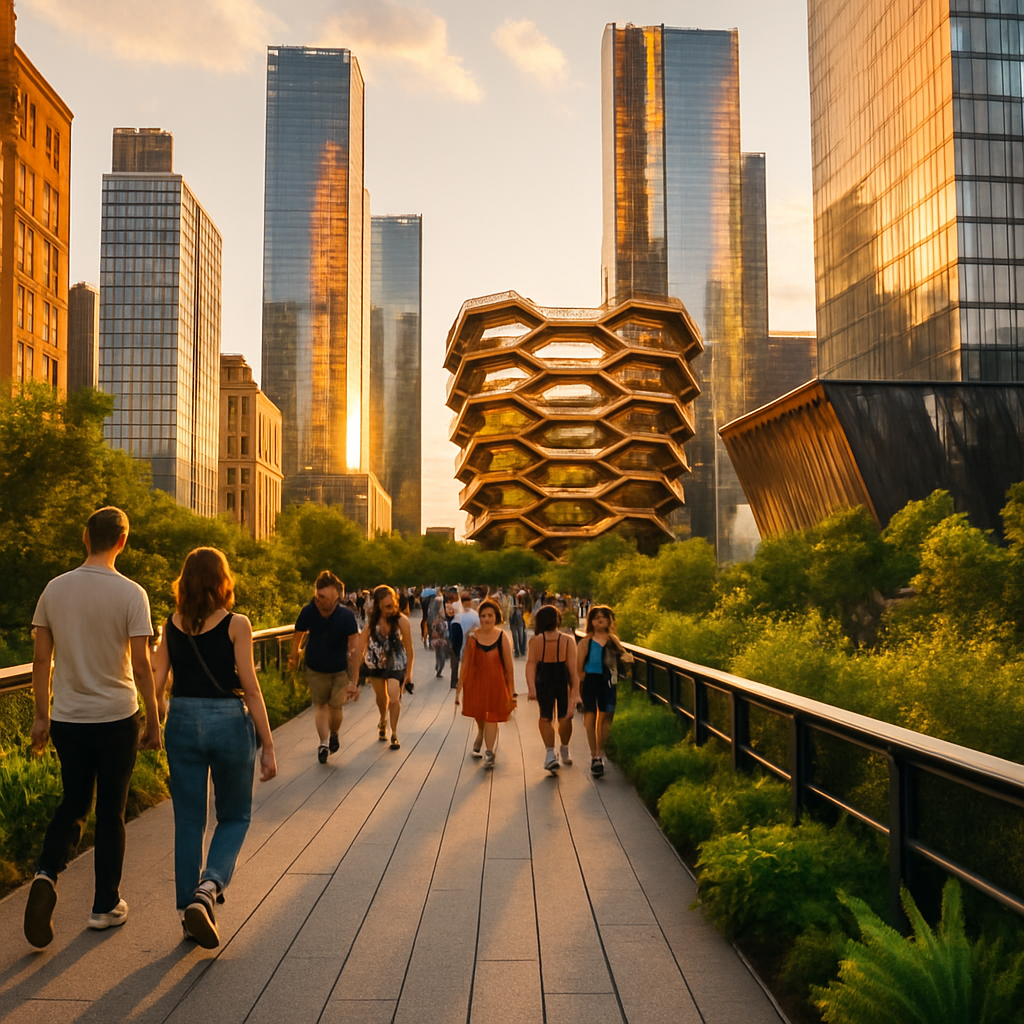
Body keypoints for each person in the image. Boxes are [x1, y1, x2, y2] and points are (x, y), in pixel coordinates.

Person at [24, 507, 161, 949]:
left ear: (85, 538)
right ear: (123, 541)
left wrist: (40, 716)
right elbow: (142, 666)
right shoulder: (132, 594)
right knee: (111, 811)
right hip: (118, 716)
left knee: (75, 802)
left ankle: (47, 870)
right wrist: (155, 719)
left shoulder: (54, 590)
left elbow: (41, 662)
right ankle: (105, 905)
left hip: (67, 717)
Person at [153, 548, 277, 948]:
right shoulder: (237, 624)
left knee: (189, 821)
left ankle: (190, 911)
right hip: (228, 720)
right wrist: (268, 745)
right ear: (222, 580)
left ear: (185, 581)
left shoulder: (170, 625)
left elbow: (158, 682)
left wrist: (153, 726)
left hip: (183, 721)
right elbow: (252, 687)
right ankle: (208, 889)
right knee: (236, 815)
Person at [287, 571, 360, 764]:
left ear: (337, 596)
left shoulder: (346, 616)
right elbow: (298, 633)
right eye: (317, 596)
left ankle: (334, 733)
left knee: (336, 707)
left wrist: (354, 679)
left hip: (339, 669)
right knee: (320, 705)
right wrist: (294, 654)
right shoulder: (308, 611)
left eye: (323, 597)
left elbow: (355, 645)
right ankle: (323, 743)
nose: (319, 600)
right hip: (315, 666)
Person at [455, 598, 515, 769]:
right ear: (479, 618)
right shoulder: (473, 637)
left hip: (496, 684)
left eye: (490, 615)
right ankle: (480, 733)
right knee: (480, 714)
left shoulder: (502, 637)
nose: (487, 619)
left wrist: (512, 692)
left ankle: (489, 752)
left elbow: (509, 668)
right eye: (483, 616)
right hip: (476, 683)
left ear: (496, 617)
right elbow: (465, 663)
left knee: (492, 717)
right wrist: (459, 688)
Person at [576, 605, 634, 777]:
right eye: (596, 617)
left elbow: (622, 656)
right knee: (591, 714)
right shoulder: (586, 642)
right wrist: (579, 685)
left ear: (609, 620)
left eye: (603, 617)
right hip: (590, 679)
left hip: (609, 679)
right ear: (591, 622)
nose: (600, 620)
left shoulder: (613, 640)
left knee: (607, 715)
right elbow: (578, 667)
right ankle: (594, 755)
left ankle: (600, 753)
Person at [356, 585, 414, 749]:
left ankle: (394, 733)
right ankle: (382, 720)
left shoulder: (401, 621)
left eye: (394, 605)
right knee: (382, 699)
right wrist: (355, 676)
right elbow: (361, 648)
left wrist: (409, 673)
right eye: (387, 606)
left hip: (396, 663)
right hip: (375, 664)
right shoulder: (371, 624)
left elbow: (409, 649)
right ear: (378, 605)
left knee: (394, 696)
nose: (392, 609)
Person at [525, 604, 579, 773]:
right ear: (557, 620)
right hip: (562, 679)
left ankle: (550, 753)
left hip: (544, 679)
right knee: (565, 717)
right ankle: (563, 747)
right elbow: (573, 668)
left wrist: (531, 687)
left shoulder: (536, 640)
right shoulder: (567, 640)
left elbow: (531, 664)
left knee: (545, 716)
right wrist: (575, 691)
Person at [510, 592, 527, 658]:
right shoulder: (512, 603)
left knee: (519, 637)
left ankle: (520, 651)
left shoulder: (523, 604)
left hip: (519, 622)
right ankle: (518, 651)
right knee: (518, 637)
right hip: (515, 622)